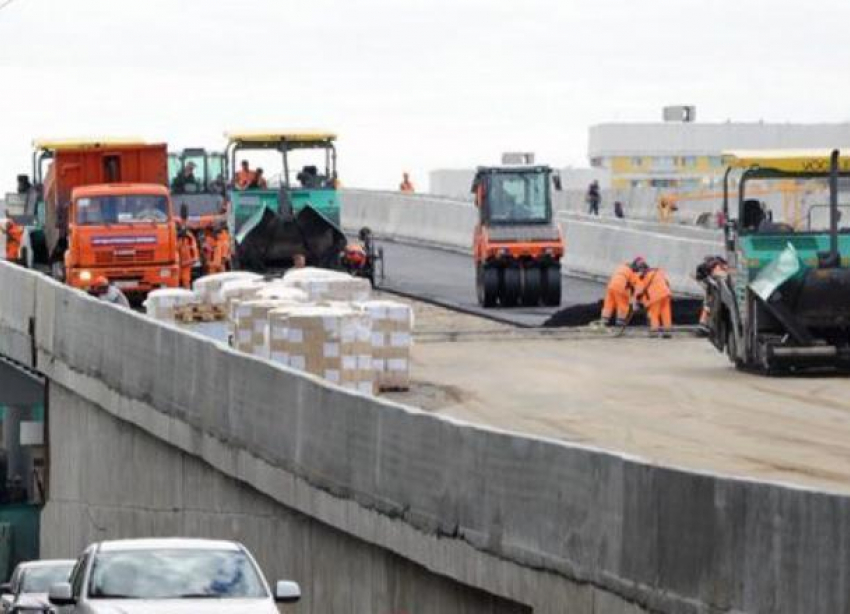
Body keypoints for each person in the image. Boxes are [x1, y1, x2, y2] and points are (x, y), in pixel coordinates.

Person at [601, 257, 646, 326]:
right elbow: (637, 289)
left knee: (609, 303)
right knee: (623, 304)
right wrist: (636, 302)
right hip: (621, 286)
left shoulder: (622, 267)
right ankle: (620, 322)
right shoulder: (633, 273)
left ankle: (604, 321)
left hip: (611, 285)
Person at [695, 255, 729, 336]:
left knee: (707, 306)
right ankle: (704, 325)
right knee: (708, 306)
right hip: (712, 290)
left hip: (710, 289)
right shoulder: (717, 267)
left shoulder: (709, 270)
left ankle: (703, 325)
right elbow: (721, 275)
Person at [636, 266, 673, 337]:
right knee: (666, 313)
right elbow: (667, 282)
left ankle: (654, 332)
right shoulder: (658, 272)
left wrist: (638, 301)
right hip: (666, 293)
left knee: (654, 314)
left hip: (655, 296)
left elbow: (640, 291)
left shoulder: (643, 277)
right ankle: (667, 332)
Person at [177, 223, 200, 289]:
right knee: (183, 280)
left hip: (185, 262)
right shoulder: (188, 237)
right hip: (184, 262)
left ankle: (186, 293)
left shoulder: (187, 238)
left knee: (185, 280)